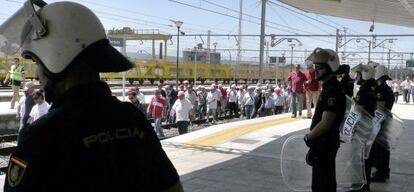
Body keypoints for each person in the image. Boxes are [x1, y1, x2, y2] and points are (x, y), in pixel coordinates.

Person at [1, 1, 182, 191]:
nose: (36, 74)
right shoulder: (132, 119)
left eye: (37, 62)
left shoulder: (41, 136)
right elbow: (174, 187)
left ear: (55, 57)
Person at [304, 48, 346, 192]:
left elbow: (326, 123)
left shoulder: (332, 90)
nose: (315, 71)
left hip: (325, 143)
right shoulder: (330, 87)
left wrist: (309, 136)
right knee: (325, 180)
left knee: (322, 184)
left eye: (319, 68)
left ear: (330, 67)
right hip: (325, 142)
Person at [352, 64, 377, 192]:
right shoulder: (374, 87)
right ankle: (365, 184)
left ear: (365, 74)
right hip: (370, 125)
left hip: (362, 126)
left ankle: (360, 185)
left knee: (359, 156)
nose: (356, 77)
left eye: (359, 74)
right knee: (367, 156)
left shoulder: (364, 89)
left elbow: (358, 109)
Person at [370, 65, 395, 183]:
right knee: (385, 148)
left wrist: (375, 123)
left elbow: (380, 109)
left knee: (380, 148)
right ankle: (385, 172)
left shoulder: (381, 89)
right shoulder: (388, 88)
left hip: (381, 121)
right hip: (387, 120)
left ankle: (381, 174)